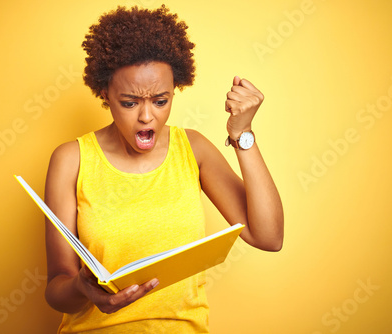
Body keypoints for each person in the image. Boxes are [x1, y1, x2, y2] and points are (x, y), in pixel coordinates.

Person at [43, 5, 283, 333]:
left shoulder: (193, 149)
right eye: (129, 103)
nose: (147, 117)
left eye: (160, 101)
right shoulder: (71, 160)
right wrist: (81, 289)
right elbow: (57, 288)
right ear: (105, 94)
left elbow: (268, 237)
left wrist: (242, 134)